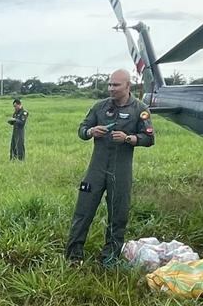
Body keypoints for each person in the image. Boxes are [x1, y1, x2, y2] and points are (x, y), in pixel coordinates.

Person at [66, 69, 154, 266]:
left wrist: (129, 138)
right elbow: (81, 130)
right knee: (83, 210)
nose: (111, 89)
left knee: (118, 214)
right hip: (96, 169)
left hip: (120, 170)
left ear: (127, 86)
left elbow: (149, 138)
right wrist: (90, 131)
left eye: (116, 85)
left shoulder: (140, 109)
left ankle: (110, 257)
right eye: (109, 84)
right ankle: (73, 255)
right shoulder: (99, 107)